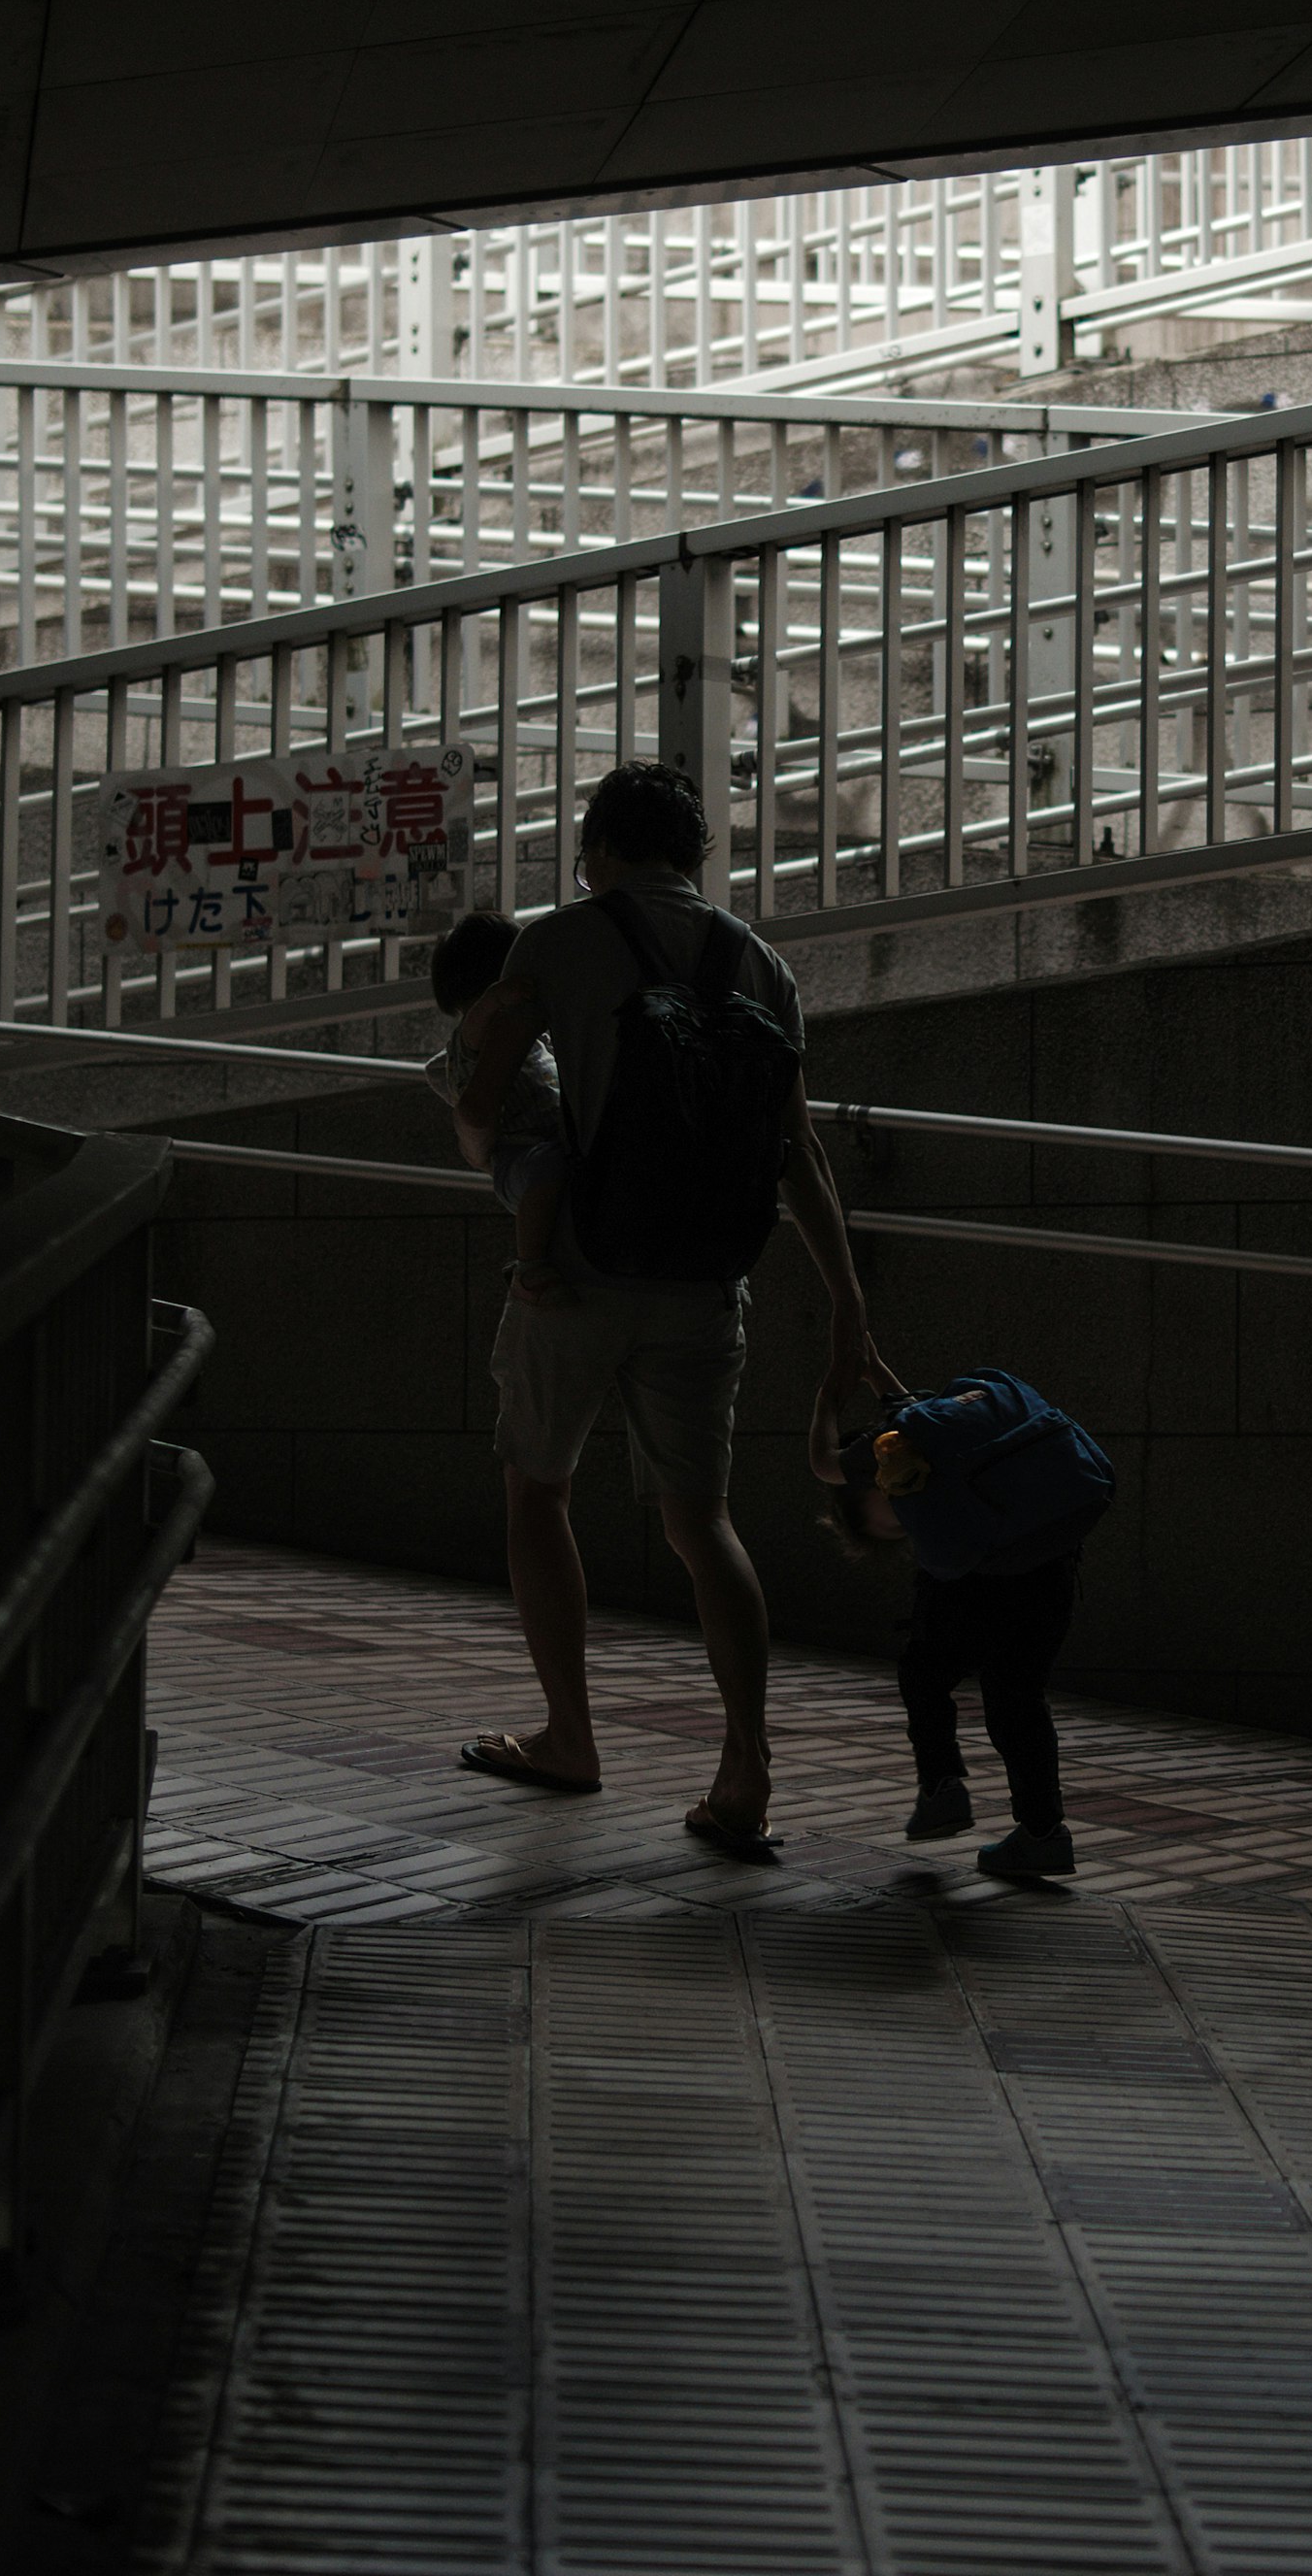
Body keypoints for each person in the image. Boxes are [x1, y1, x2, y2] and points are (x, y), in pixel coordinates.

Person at [443, 760, 891, 1857]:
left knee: (537, 1490)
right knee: (704, 1523)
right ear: (696, 857)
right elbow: (800, 1155)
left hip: (580, 1275)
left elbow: (483, 1088)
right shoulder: (762, 965)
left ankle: (570, 1738)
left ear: (597, 848)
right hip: (705, 1285)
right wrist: (847, 1312)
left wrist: (486, 1147)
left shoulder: (558, 938)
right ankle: (745, 1769)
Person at [806, 1367, 1115, 1882]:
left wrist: (826, 1396)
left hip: (976, 1578)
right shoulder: (939, 1414)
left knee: (923, 1674)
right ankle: (1044, 1835)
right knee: (1018, 1699)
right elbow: (893, 1389)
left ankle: (941, 1788)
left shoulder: (880, 1452)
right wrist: (863, 1357)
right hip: (1052, 1564)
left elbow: (824, 1463)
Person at [420, 909, 567, 1306]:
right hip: (518, 1156)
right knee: (549, 1170)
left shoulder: (527, 1035)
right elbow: (479, 1018)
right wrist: (498, 998)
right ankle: (529, 1266)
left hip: (535, 1146)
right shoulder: (473, 1034)